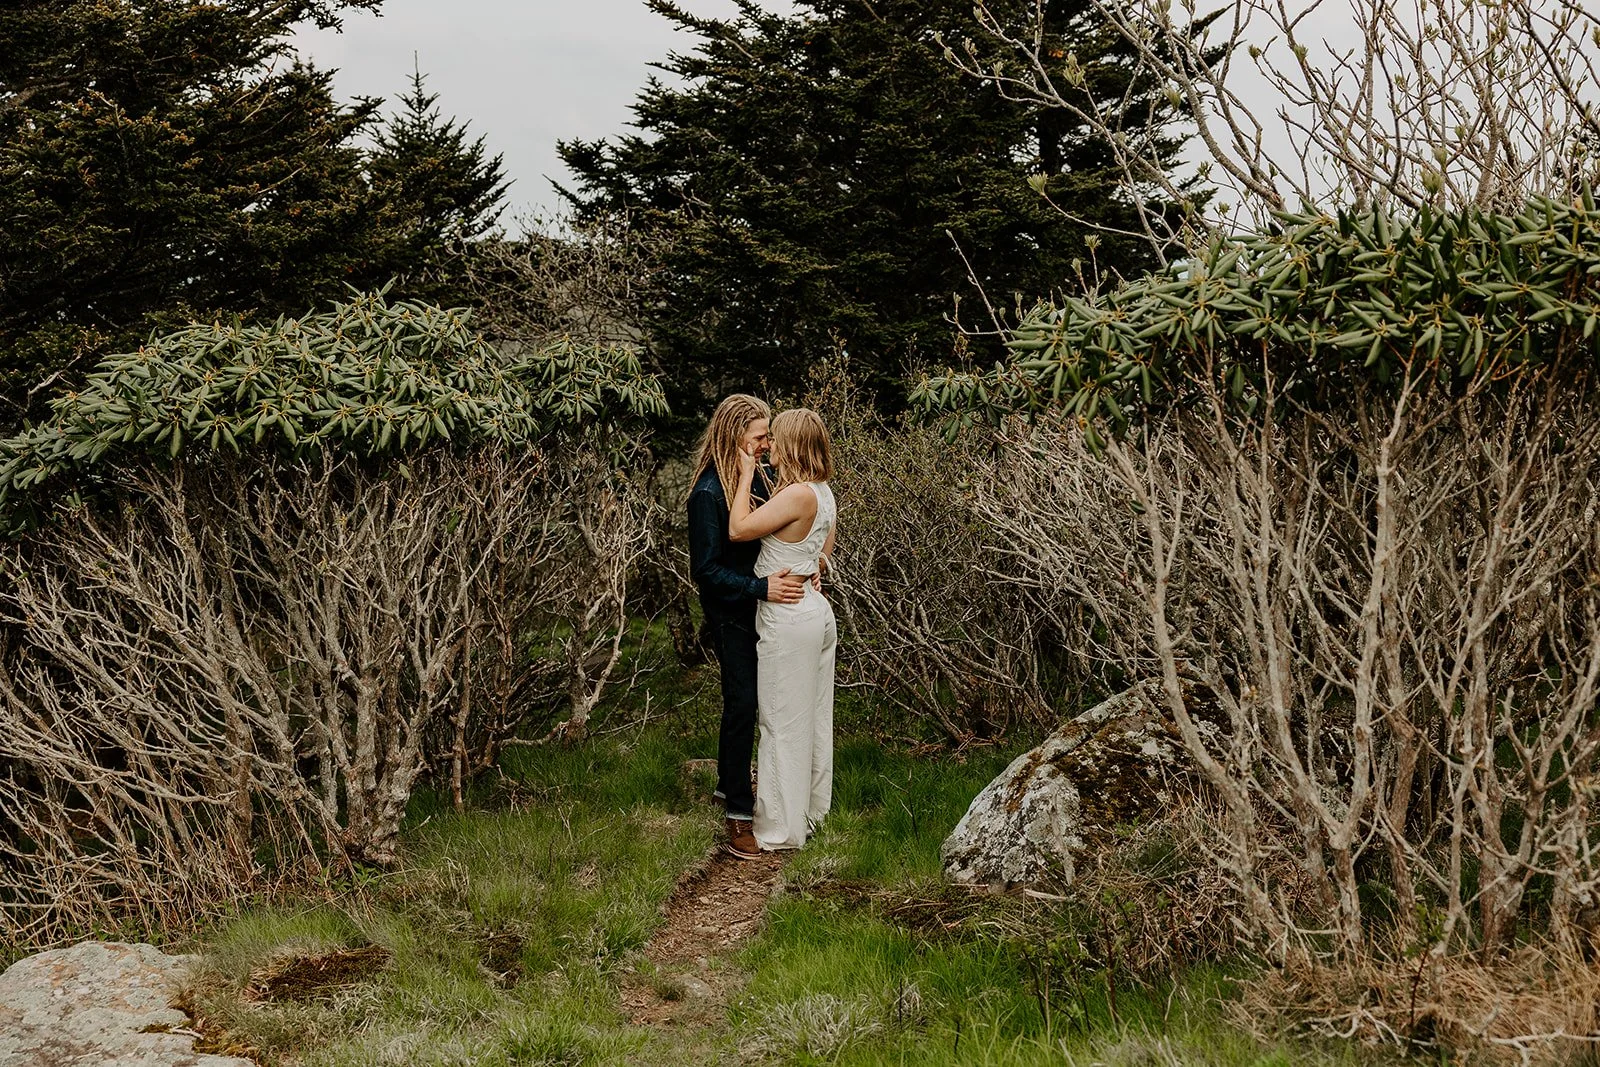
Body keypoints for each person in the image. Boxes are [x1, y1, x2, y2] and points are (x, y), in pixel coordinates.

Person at [687, 394, 809, 860]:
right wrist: (761, 589)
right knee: (743, 703)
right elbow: (708, 571)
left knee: (766, 701)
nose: (765, 444)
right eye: (758, 436)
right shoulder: (706, 495)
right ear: (734, 435)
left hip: (764, 608)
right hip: (732, 612)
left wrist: (808, 562)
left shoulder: (762, 479)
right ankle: (738, 811)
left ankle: (728, 785)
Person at [728, 408, 838, 851]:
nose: (768, 445)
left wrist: (744, 473)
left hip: (789, 621)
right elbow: (826, 545)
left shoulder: (796, 495)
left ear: (791, 444)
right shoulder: (821, 491)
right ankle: (810, 812)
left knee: (780, 723)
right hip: (814, 613)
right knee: (812, 719)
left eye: (775, 438)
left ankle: (778, 829)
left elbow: (738, 529)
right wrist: (816, 566)